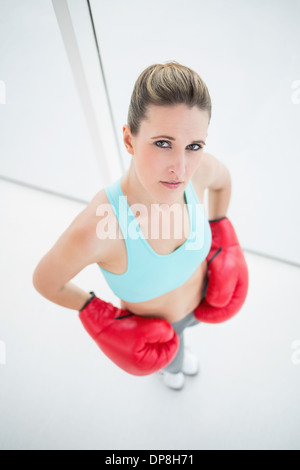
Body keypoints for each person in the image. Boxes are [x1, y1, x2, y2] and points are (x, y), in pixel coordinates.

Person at [32, 62, 249, 391]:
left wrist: (223, 234)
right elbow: (46, 281)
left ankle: (180, 355)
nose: (180, 167)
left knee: (185, 335)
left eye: (193, 145)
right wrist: (98, 314)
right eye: (163, 143)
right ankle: (171, 370)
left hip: (201, 302)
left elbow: (223, 182)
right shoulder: (102, 224)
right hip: (154, 330)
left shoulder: (200, 170)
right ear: (129, 140)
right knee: (174, 361)